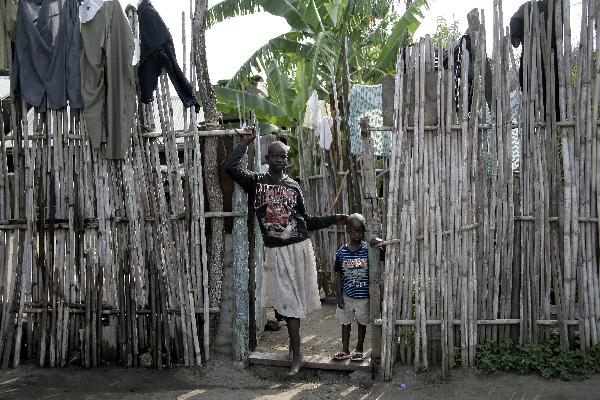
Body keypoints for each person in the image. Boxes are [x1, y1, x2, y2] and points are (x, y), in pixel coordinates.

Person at [225, 129, 348, 375]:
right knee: (286, 302)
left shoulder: (293, 186)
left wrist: (334, 219)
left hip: (299, 247)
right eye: (275, 156)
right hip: (275, 250)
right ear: (267, 159)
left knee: (291, 303)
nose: (280, 160)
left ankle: (296, 354)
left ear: (286, 160)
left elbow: (306, 220)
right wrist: (245, 142)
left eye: (283, 156)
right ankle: (295, 352)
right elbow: (231, 167)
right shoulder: (257, 181)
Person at [333, 213, 383, 362]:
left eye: (360, 231)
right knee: (345, 322)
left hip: (363, 297)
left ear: (364, 231)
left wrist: (378, 242)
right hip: (347, 296)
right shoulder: (341, 252)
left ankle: (360, 348)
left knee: (362, 323)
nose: (357, 234)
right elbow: (338, 275)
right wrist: (339, 296)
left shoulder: (368, 249)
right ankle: (345, 349)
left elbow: (383, 254)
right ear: (347, 231)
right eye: (354, 231)